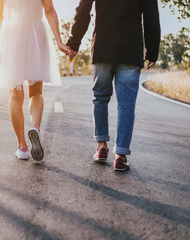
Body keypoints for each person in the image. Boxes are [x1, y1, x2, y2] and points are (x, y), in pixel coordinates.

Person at [66, 0, 161, 171]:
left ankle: (101, 147)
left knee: (100, 98)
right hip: (130, 50)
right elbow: (151, 15)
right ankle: (120, 156)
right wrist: (152, 50)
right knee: (126, 104)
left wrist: (74, 42)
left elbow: (83, 10)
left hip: (103, 46)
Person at [0, 0, 70, 161]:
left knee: (15, 95)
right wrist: (59, 40)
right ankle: (35, 127)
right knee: (36, 92)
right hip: (35, 33)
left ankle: (22, 147)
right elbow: (49, 11)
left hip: (12, 34)